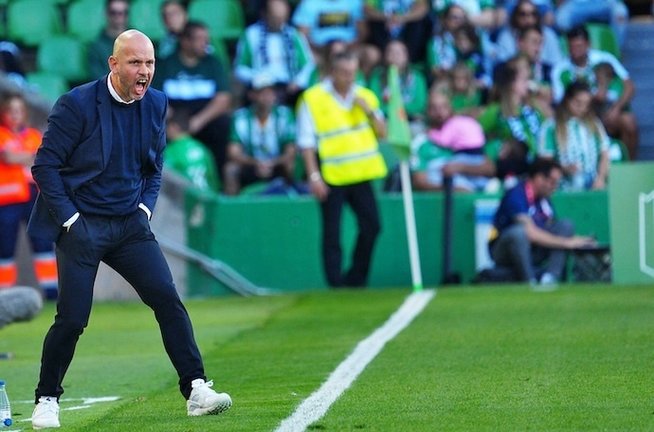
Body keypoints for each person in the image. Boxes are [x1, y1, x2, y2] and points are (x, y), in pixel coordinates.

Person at [27, 30, 232, 430]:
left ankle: (196, 388)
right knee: (72, 319)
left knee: (167, 299)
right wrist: (71, 221)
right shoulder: (76, 104)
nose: (145, 72)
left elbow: (154, 167)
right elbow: (44, 167)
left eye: (150, 63)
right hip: (81, 226)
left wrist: (143, 209)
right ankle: (47, 398)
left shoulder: (155, 103)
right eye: (136, 63)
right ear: (113, 64)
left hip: (128, 225)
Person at [296, 51, 388, 288]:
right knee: (332, 233)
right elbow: (306, 142)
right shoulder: (313, 98)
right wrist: (313, 176)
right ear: (333, 72)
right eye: (345, 73)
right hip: (332, 175)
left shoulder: (365, 96)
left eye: (353, 72)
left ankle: (357, 278)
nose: (350, 78)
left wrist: (368, 110)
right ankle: (336, 283)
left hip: (361, 173)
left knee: (372, 226)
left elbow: (384, 132)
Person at [487, 157, 596, 285]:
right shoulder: (516, 194)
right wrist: (568, 243)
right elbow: (530, 233)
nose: (554, 187)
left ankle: (550, 279)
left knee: (565, 226)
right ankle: (529, 281)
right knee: (519, 233)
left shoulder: (544, 200)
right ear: (539, 178)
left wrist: (579, 241)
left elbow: (551, 230)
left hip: (534, 250)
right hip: (504, 252)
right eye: (552, 182)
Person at [152, 21, 233, 177]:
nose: (206, 43)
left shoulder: (214, 63)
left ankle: (217, 179)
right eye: (200, 39)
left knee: (223, 124)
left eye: (206, 38)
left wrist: (198, 121)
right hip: (173, 118)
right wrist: (174, 121)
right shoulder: (166, 64)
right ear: (185, 41)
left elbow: (223, 98)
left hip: (204, 118)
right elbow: (155, 97)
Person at [0, 93, 58, 300]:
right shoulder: (2, 134)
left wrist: (21, 157)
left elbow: (43, 158)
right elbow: (7, 156)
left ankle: (51, 291)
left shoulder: (34, 135)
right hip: (7, 201)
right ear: (4, 113)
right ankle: (4, 293)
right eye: (11, 111)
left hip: (34, 196)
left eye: (19, 111)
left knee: (42, 242)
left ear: (24, 114)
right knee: (5, 246)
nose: (15, 115)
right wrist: (29, 156)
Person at [551, 26, 638, 159]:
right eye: (572, 47)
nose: (575, 51)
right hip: (580, 116)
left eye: (579, 46)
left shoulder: (605, 59)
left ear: (588, 44)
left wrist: (616, 109)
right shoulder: (560, 70)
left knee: (629, 122)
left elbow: (629, 86)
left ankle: (629, 166)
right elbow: (560, 101)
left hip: (607, 112)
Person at [223, 73, 298, 196]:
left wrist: (272, 163)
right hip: (251, 165)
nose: (267, 97)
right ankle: (233, 208)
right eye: (262, 93)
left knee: (290, 165)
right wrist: (256, 163)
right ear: (252, 95)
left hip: (276, 165)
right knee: (230, 170)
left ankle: (293, 201)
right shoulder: (240, 118)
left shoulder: (285, 115)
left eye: (270, 92)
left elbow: (290, 151)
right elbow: (233, 153)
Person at [411, 89, 495, 192]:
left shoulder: (462, 137)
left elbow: (489, 168)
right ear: (427, 111)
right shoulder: (421, 143)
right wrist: (451, 190)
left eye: (444, 107)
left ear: (450, 109)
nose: (439, 112)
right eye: (434, 108)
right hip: (442, 202)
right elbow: (420, 182)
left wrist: (460, 167)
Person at [233, 0, 315, 106]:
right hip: (260, 85)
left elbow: (308, 65)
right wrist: (256, 78)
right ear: (265, 14)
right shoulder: (251, 35)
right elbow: (240, 68)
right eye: (275, 18)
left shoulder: (294, 35)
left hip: (289, 86)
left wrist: (298, 82)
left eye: (282, 19)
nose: (279, 23)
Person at [538, 81, 610, 191]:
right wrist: (563, 168)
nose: (582, 108)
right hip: (562, 187)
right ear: (567, 100)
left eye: (586, 104)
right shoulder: (551, 126)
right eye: (578, 103)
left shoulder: (594, 124)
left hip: (594, 185)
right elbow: (545, 161)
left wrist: (600, 178)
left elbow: (605, 153)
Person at [367, 40, 428, 124]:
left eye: (399, 53)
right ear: (385, 56)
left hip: (411, 120)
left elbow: (419, 105)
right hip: (385, 120)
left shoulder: (417, 77)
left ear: (406, 56)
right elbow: (374, 102)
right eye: (391, 52)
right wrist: (396, 111)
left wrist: (397, 110)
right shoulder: (377, 77)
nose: (395, 56)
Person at [164, 107, 221, 193]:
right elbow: (213, 179)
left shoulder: (170, 151)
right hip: (209, 196)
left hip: (186, 200)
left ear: (174, 127)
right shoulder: (203, 148)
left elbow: (165, 180)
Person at [494, 0, 562, 66]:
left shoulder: (549, 35)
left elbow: (557, 65)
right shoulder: (506, 36)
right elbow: (503, 66)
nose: (528, 19)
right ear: (516, 16)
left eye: (533, 14)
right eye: (523, 14)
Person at [363, 0, 431, 63]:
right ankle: (386, 59)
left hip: (408, 32)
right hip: (384, 31)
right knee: (374, 22)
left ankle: (410, 60)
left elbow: (423, 8)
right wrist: (387, 18)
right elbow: (367, 9)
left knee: (420, 21)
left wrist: (402, 18)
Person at [88, 0, 130, 80]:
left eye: (123, 13)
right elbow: (98, 79)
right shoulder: (96, 47)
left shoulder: (137, 42)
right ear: (106, 14)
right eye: (113, 13)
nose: (118, 17)